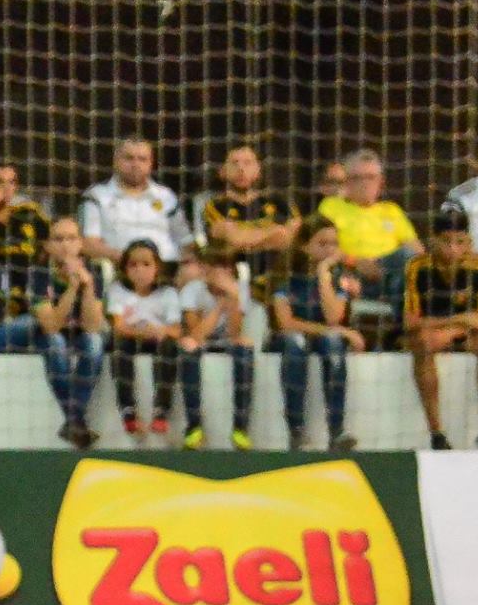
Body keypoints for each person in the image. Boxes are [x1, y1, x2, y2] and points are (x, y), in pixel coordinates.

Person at [403, 209, 478, 450]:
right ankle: (436, 432)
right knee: (423, 343)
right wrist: (455, 322)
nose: (453, 249)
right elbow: (409, 322)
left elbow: (477, 320)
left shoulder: (477, 267)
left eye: (460, 242)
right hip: (430, 334)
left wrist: (449, 332)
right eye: (446, 242)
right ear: (433, 240)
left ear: (469, 242)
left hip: (460, 335)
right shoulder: (417, 266)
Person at [270, 218, 363, 452]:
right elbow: (286, 322)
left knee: (333, 345)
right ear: (304, 245)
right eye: (322, 243)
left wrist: (323, 274)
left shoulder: (338, 276)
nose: (330, 250)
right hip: (289, 337)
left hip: (323, 337)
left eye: (334, 244)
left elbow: (333, 317)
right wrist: (337, 331)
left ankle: (336, 431)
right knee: (295, 344)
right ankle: (296, 430)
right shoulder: (285, 275)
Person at [21, 216, 108, 449]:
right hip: (49, 335)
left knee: (95, 343)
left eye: (71, 238)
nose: (65, 244)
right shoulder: (38, 273)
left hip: (81, 334)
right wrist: (72, 287)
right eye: (58, 239)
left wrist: (87, 286)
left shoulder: (95, 271)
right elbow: (50, 326)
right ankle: (77, 420)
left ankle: (72, 420)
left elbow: (93, 326)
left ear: (81, 244)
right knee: (54, 343)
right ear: (48, 246)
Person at [199, 143, 299, 306]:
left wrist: (246, 236)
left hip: (280, 281)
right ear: (222, 171)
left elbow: (289, 239)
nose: (241, 169)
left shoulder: (281, 202)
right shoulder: (214, 206)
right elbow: (236, 240)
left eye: (247, 163)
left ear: (258, 169)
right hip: (234, 284)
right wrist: (274, 231)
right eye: (234, 163)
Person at [318, 148, 421, 305]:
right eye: (357, 178)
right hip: (349, 271)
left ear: (381, 182)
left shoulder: (391, 210)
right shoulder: (332, 206)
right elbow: (321, 244)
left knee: (407, 258)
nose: (365, 183)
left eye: (371, 177)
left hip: (389, 271)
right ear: (347, 182)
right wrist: (355, 262)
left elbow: (416, 249)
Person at [176, 244, 255, 450]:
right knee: (188, 349)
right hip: (200, 341)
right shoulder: (192, 290)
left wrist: (234, 298)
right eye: (217, 267)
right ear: (205, 270)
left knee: (245, 349)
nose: (223, 273)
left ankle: (241, 427)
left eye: (227, 267)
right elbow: (196, 334)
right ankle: (194, 427)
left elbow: (234, 332)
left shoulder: (240, 289)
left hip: (226, 342)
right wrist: (220, 306)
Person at [105, 238, 182, 442]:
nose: (140, 270)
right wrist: (142, 332)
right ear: (125, 269)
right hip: (130, 338)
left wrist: (159, 330)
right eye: (133, 265)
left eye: (146, 264)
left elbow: (175, 329)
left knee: (170, 347)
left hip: (158, 339)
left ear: (157, 267)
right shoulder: (118, 291)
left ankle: (161, 410)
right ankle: (128, 410)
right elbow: (119, 325)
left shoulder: (168, 293)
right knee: (117, 346)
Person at [79, 136, 189, 264]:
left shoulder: (166, 196)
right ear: (116, 161)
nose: (135, 165)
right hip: (120, 269)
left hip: (167, 269)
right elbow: (89, 244)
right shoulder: (97, 196)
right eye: (129, 158)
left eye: (142, 159)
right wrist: (132, 261)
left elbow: (185, 240)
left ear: (150, 164)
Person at [0, 163, 50, 268]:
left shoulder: (29, 211)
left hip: (30, 278)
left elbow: (52, 240)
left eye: (12, 182)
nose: (7, 187)